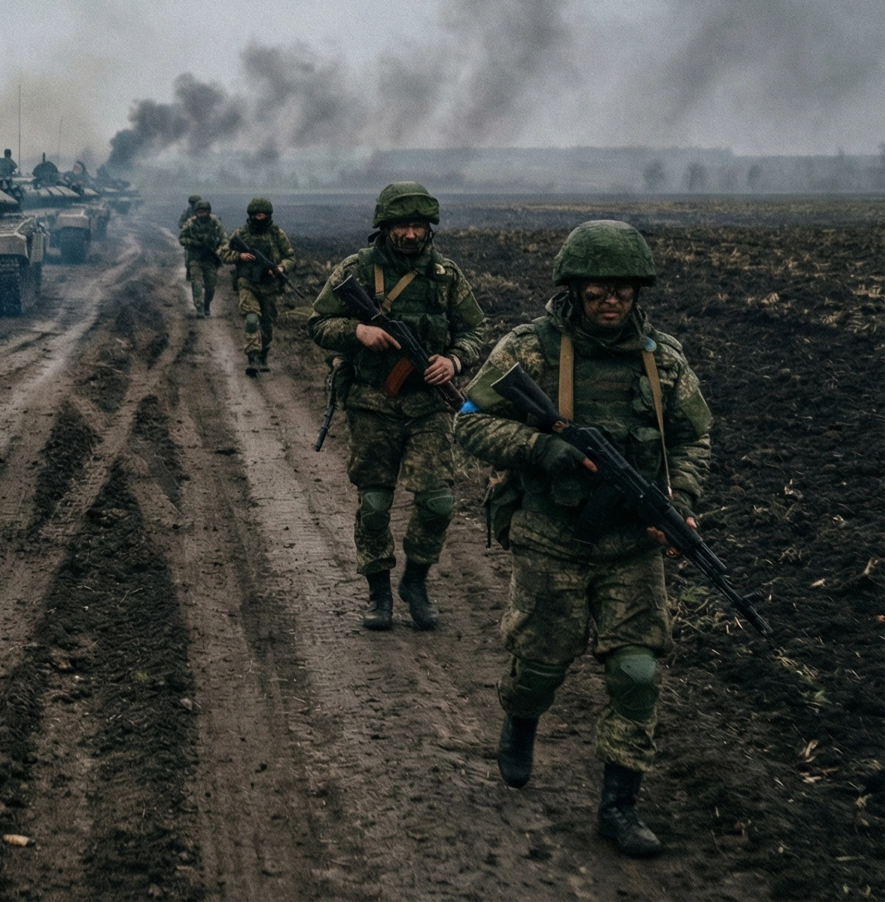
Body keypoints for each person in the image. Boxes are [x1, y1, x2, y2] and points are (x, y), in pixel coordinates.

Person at [455, 220, 713, 859]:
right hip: (550, 539)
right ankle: (520, 722)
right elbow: (469, 421)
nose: (611, 299)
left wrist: (677, 498)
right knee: (540, 668)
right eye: (599, 288)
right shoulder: (529, 350)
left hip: (631, 548)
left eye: (623, 289)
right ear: (574, 287)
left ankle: (620, 806)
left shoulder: (662, 359)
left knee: (637, 671)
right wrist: (542, 448)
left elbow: (692, 438)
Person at [305, 183, 485, 631]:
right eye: (401, 226)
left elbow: (474, 332)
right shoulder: (357, 270)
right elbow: (317, 322)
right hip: (372, 404)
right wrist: (357, 332)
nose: (410, 234)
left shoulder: (446, 276)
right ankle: (379, 593)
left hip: (429, 407)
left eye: (418, 226)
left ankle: (416, 583)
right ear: (384, 227)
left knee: (439, 502)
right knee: (374, 504)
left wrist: (454, 359)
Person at [229, 197, 295, 377]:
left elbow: (290, 257)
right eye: (257, 215)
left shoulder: (276, 234)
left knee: (267, 324)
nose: (260, 217)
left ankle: (263, 352)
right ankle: (253, 358)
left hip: (270, 287)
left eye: (263, 214)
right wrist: (239, 256)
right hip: (247, 283)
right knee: (251, 320)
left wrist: (281, 268)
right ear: (251, 216)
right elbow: (224, 252)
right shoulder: (241, 233)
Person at [177, 200, 226, 317]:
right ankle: (199, 308)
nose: (202, 214)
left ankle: (206, 304)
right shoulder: (190, 223)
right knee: (196, 284)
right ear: (196, 213)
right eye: (199, 212)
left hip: (210, 259)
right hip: (195, 259)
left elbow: (224, 239)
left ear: (208, 212)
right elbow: (181, 239)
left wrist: (220, 251)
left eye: (204, 212)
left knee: (210, 287)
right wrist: (193, 243)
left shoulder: (215, 222)